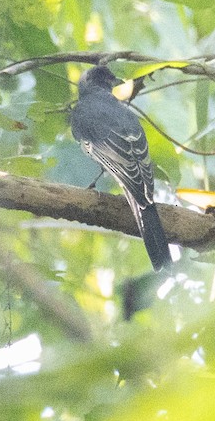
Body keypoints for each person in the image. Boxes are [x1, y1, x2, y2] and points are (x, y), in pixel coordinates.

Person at [70, 64, 172, 270]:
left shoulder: (82, 111)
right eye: (110, 81)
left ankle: (163, 263)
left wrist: (127, 176)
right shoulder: (122, 112)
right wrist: (138, 177)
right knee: (144, 202)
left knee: (140, 201)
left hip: (120, 164)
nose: (114, 83)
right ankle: (165, 262)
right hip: (133, 161)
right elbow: (135, 148)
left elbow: (96, 149)